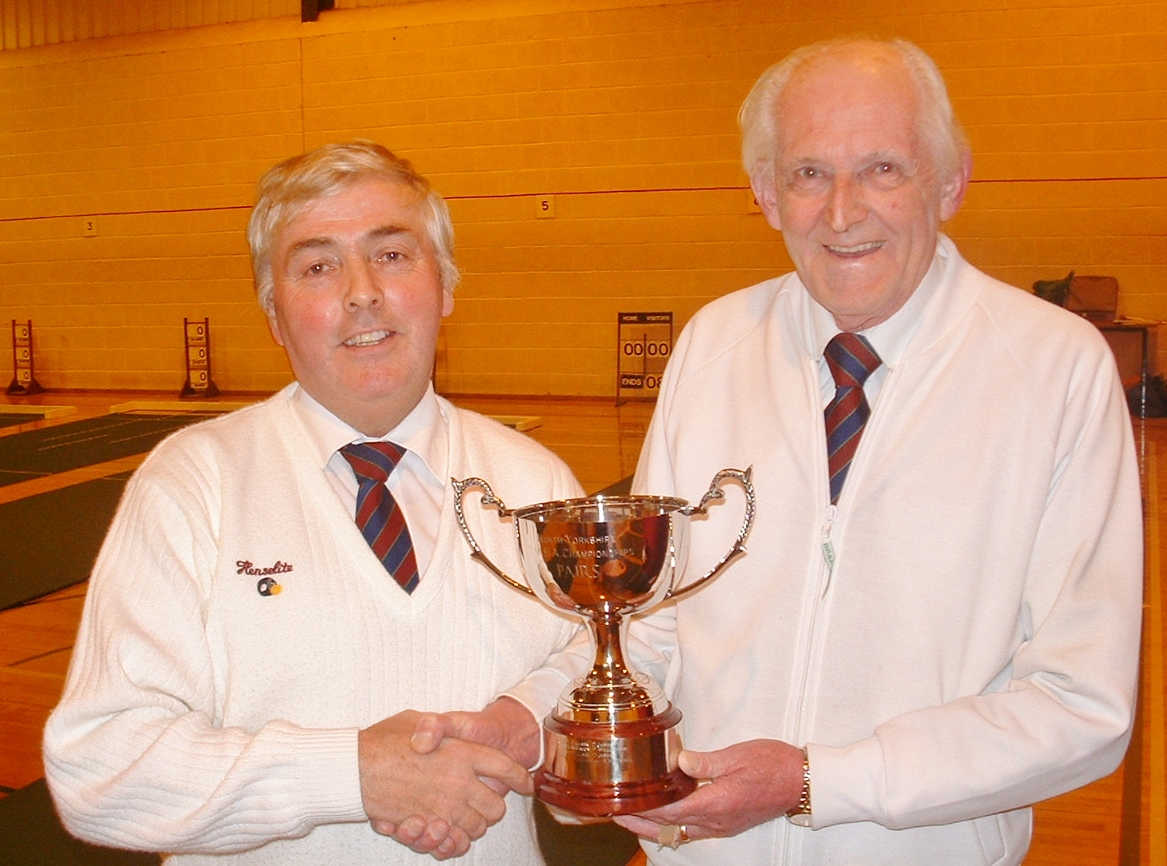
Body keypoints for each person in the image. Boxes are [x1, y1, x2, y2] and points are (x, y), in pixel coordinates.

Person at [612, 37, 1144, 864]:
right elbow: (647, 627)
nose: (841, 212)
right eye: (808, 173)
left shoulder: (1054, 370)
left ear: (950, 180)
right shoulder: (712, 345)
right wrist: (610, 751)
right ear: (765, 193)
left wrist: (821, 782)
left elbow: (1081, 704)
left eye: (882, 169)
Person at [43, 141, 589, 865]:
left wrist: (529, 719)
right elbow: (101, 770)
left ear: (446, 286)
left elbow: (610, 667)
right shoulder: (194, 483)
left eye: (392, 254)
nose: (362, 292)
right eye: (318, 267)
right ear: (274, 315)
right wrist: (353, 776)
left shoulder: (534, 483)